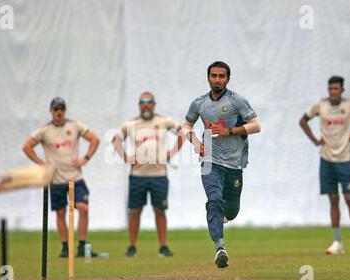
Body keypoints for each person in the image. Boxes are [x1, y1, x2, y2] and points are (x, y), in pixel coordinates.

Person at [182, 61, 261, 268]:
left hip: (234, 164)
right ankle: (220, 248)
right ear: (208, 77)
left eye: (222, 76)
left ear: (228, 79)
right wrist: (196, 142)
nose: (217, 79)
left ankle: (219, 217)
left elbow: (256, 126)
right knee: (214, 200)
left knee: (232, 212)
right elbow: (186, 125)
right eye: (214, 75)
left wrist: (231, 131)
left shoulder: (237, 101)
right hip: (210, 162)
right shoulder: (199, 103)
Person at [299, 76, 350, 255]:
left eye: (336, 89)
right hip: (326, 160)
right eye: (331, 89)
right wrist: (314, 140)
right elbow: (303, 120)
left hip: (345, 160)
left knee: (349, 198)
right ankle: (337, 243)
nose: (333, 92)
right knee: (333, 199)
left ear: (342, 90)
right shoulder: (321, 105)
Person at [23, 97, 100, 258]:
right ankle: (65, 246)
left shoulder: (75, 126)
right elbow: (27, 146)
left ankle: (82, 246)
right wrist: (41, 163)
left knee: (83, 208)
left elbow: (95, 139)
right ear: (51, 111)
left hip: (76, 178)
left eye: (62, 109)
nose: (59, 112)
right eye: (56, 109)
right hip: (56, 179)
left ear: (65, 111)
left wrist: (85, 158)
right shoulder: (44, 131)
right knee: (60, 212)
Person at [112, 92, 183, 257]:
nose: (146, 105)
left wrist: (172, 152)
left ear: (154, 104)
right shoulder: (131, 124)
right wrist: (126, 157)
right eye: (143, 102)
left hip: (159, 174)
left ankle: (163, 246)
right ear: (139, 105)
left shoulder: (163, 121)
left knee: (160, 210)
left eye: (149, 102)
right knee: (135, 210)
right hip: (138, 175)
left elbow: (182, 132)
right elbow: (115, 139)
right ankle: (132, 246)